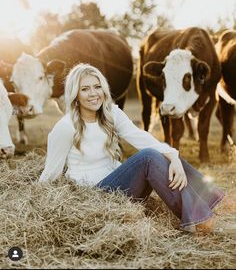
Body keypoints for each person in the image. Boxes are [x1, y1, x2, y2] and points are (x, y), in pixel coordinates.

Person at [39, 63, 231, 234]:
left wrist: (173, 158)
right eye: (85, 89)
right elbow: (50, 175)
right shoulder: (65, 128)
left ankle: (211, 203)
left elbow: (142, 138)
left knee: (158, 152)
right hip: (94, 197)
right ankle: (200, 221)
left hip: (120, 189)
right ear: (75, 95)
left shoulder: (111, 113)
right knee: (149, 158)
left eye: (97, 87)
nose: (94, 94)